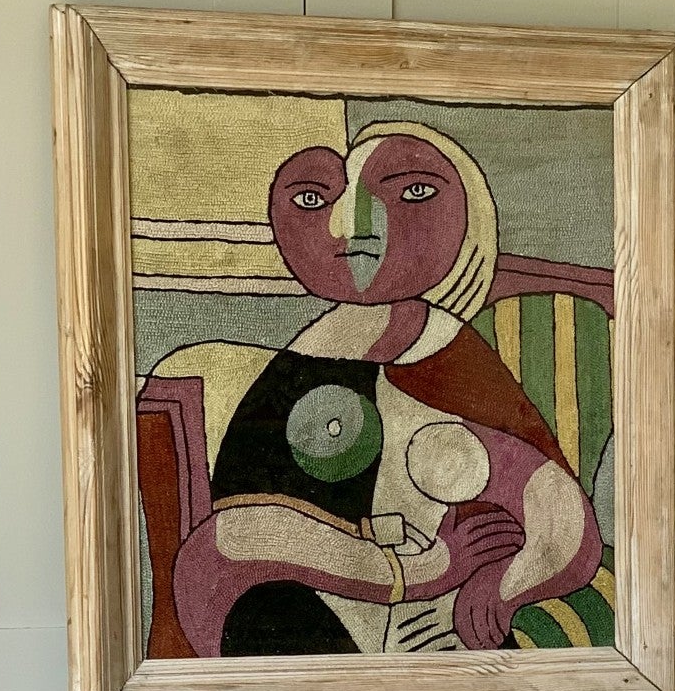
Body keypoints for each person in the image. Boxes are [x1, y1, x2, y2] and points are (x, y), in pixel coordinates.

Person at [138, 122, 602, 657]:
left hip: (435, 639)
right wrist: (416, 570)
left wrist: (504, 585)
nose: (354, 227)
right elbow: (225, 550)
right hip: (299, 624)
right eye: (313, 200)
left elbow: (561, 516)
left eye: (414, 193)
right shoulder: (299, 367)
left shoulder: (451, 358)